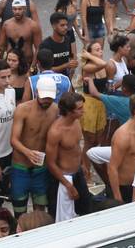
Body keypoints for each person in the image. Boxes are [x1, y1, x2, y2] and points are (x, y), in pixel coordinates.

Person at [9, 75, 57, 216]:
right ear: (37, 92)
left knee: (41, 211)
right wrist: (28, 152)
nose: (46, 101)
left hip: (40, 169)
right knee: (19, 211)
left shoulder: (55, 110)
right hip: (20, 167)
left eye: (50, 98)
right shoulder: (23, 109)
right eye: (44, 98)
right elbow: (14, 140)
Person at [46, 91, 87, 222]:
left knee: (86, 211)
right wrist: (68, 185)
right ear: (69, 111)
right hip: (63, 179)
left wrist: (82, 164)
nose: (83, 111)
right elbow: (51, 163)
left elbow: (76, 147)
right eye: (79, 109)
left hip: (78, 173)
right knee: (62, 220)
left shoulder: (76, 122)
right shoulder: (56, 131)